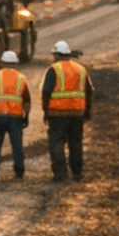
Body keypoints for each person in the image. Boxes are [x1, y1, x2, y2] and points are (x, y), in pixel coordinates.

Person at [40, 40, 92, 182]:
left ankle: (60, 173)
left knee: (56, 143)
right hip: (77, 113)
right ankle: (77, 173)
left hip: (57, 113)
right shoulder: (81, 69)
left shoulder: (54, 69)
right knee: (76, 142)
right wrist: (87, 110)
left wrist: (46, 110)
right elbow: (88, 91)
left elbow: (46, 91)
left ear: (57, 55)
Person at [0, 49, 30, 181]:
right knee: (17, 145)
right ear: (16, 64)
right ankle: (19, 171)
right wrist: (27, 116)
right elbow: (27, 100)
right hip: (15, 115)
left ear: (2, 63)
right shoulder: (22, 78)